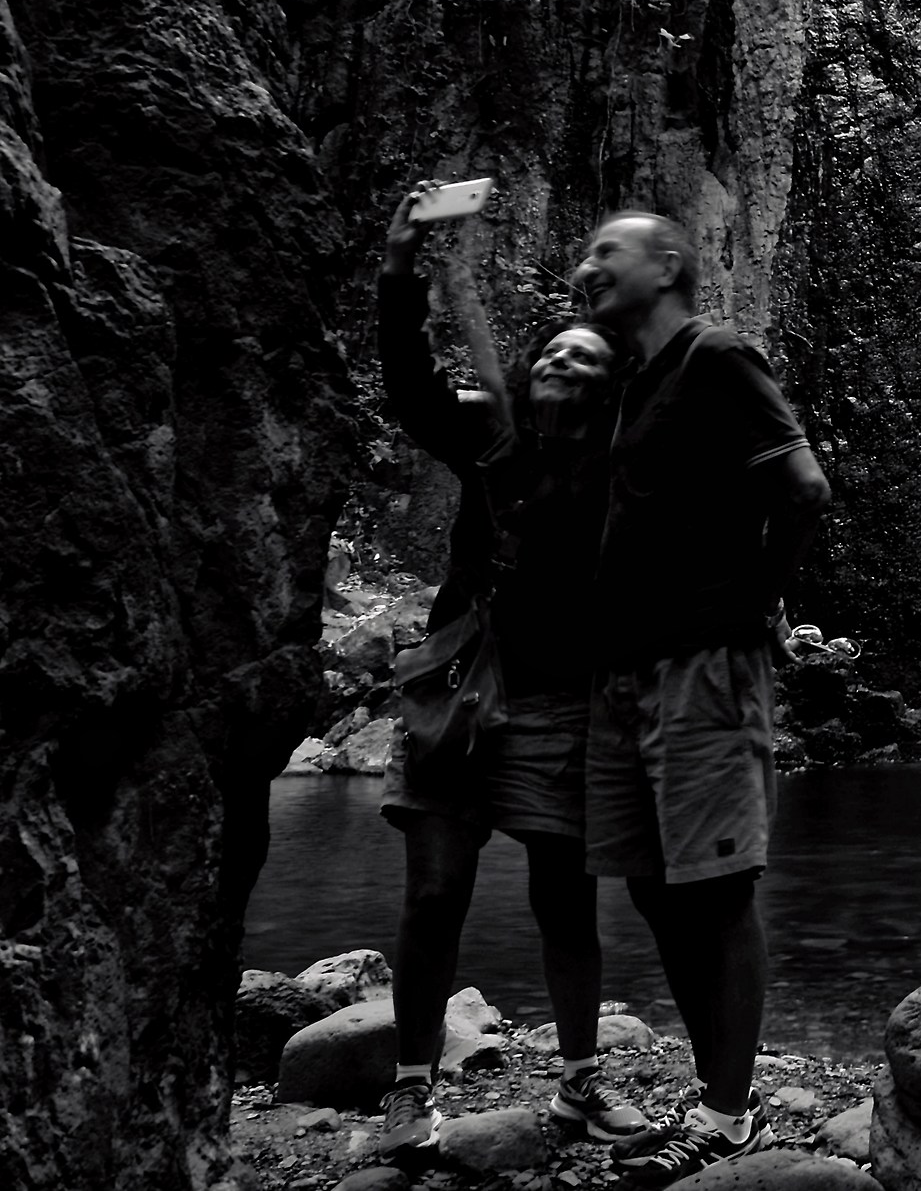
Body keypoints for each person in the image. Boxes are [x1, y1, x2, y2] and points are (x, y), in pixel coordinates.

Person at [374, 184, 652, 1158]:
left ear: (611, 387)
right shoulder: (490, 437)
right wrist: (402, 268)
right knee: (434, 892)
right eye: (551, 353)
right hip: (460, 691)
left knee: (566, 899)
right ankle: (411, 1086)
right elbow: (411, 385)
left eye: (585, 356)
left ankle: (579, 1081)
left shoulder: (624, 466)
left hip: (563, 702)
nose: (562, 361)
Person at [570, 211, 832, 1184]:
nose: (586, 265)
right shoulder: (636, 382)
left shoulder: (717, 355)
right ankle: (719, 1089)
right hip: (626, 671)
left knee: (719, 892)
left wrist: (748, 604)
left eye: (608, 251)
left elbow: (804, 487)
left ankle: (726, 1114)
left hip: (701, 668)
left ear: (669, 264)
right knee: (652, 883)